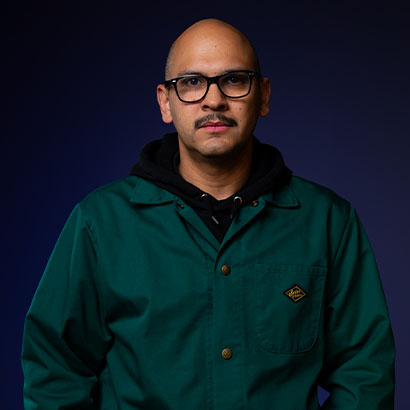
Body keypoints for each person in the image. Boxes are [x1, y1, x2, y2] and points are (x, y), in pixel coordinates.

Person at [22, 19, 395, 409]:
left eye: (234, 80)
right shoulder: (100, 223)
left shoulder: (328, 221)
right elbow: (54, 371)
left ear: (263, 96)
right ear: (165, 102)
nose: (213, 100)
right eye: (191, 82)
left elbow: (365, 371)